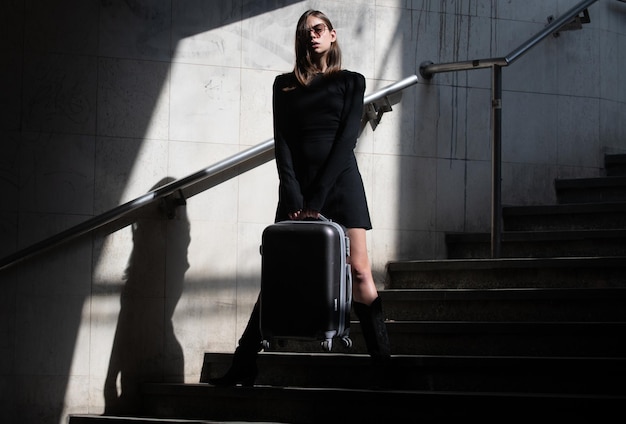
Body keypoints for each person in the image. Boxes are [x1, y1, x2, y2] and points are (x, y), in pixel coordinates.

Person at [208, 9, 390, 387]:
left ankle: (384, 367)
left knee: (360, 271)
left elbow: (346, 142)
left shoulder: (352, 82)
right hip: (297, 187)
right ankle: (245, 362)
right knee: (281, 272)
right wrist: (292, 191)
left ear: (333, 35)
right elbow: (283, 143)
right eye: (305, 32)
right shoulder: (284, 85)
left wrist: (320, 195)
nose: (313, 36)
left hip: (340, 184)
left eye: (319, 29)